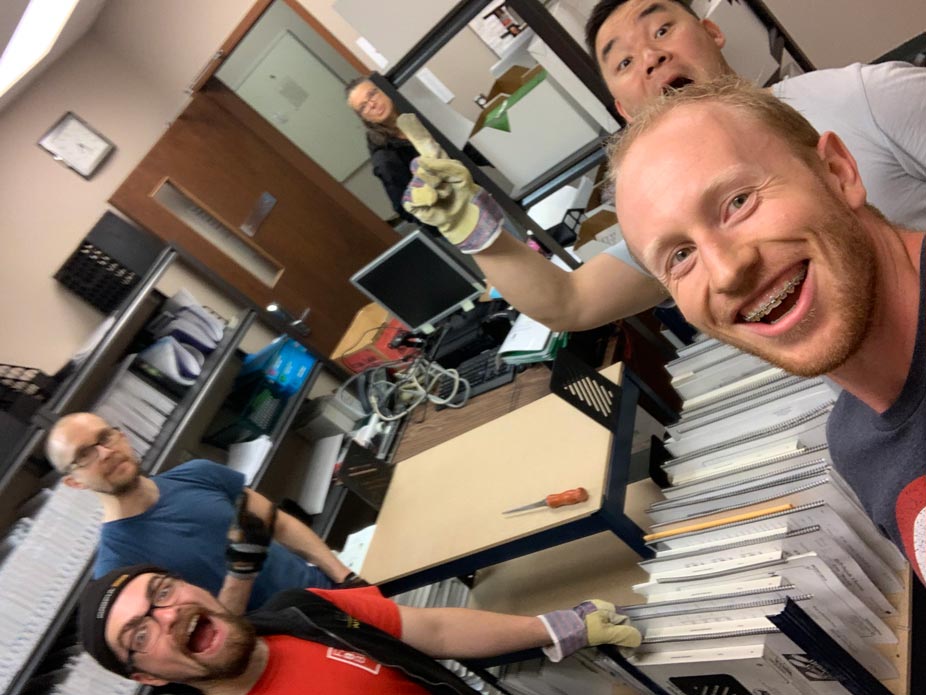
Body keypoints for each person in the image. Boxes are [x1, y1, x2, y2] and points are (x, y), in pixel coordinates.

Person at [400, 0, 926, 332]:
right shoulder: (677, 224)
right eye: (624, 62)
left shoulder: (864, 98)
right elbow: (570, 303)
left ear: (712, 32)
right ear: (626, 111)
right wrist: (476, 231)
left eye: (662, 29)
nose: (650, 57)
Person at [608, 76, 926, 582]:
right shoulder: (853, 446)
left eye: (739, 202)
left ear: (838, 172)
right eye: (681, 256)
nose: (727, 271)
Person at [78, 563, 641, 693]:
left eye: (162, 592)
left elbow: (435, 630)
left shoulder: (301, 611)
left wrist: (558, 627)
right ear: (147, 677)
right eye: (139, 635)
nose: (167, 615)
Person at [45, 412, 360, 612]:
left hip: (332, 596)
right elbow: (205, 640)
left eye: (105, 437)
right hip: (286, 646)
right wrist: (241, 574)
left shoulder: (199, 473)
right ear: (74, 482)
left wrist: (344, 577)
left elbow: (279, 524)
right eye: (84, 455)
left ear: (122, 436)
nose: (105, 452)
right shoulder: (117, 568)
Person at [345, 77, 489, 231]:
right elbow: (405, 207)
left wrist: (498, 158)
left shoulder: (415, 114)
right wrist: (445, 219)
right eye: (363, 107)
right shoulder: (385, 158)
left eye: (372, 94)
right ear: (364, 118)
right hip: (458, 222)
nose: (372, 104)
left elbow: (462, 147)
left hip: (479, 193)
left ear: (383, 89)